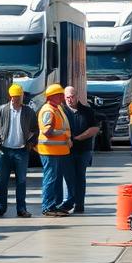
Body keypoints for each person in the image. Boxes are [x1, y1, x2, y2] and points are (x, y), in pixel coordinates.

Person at [0, 83, 37, 218]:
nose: (16, 99)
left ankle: (21, 209)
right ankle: (1, 207)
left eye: (18, 97)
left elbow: (35, 129)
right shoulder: (1, 110)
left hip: (21, 151)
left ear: (22, 97)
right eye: (14, 97)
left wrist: (30, 143)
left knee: (21, 181)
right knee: (2, 181)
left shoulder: (28, 112)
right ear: (10, 97)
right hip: (4, 151)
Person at [59, 86, 99, 215]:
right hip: (66, 151)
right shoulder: (61, 111)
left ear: (77, 96)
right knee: (68, 177)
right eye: (67, 97)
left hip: (83, 150)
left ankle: (79, 204)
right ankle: (68, 203)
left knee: (80, 177)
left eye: (72, 96)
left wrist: (77, 138)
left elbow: (94, 129)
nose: (70, 99)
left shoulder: (87, 111)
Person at [36, 84, 72, 217]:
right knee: (50, 179)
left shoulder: (56, 109)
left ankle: (54, 205)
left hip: (57, 151)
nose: (62, 97)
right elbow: (47, 131)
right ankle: (48, 207)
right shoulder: (48, 111)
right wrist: (62, 133)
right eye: (60, 95)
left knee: (55, 179)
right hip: (49, 151)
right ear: (52, 97)